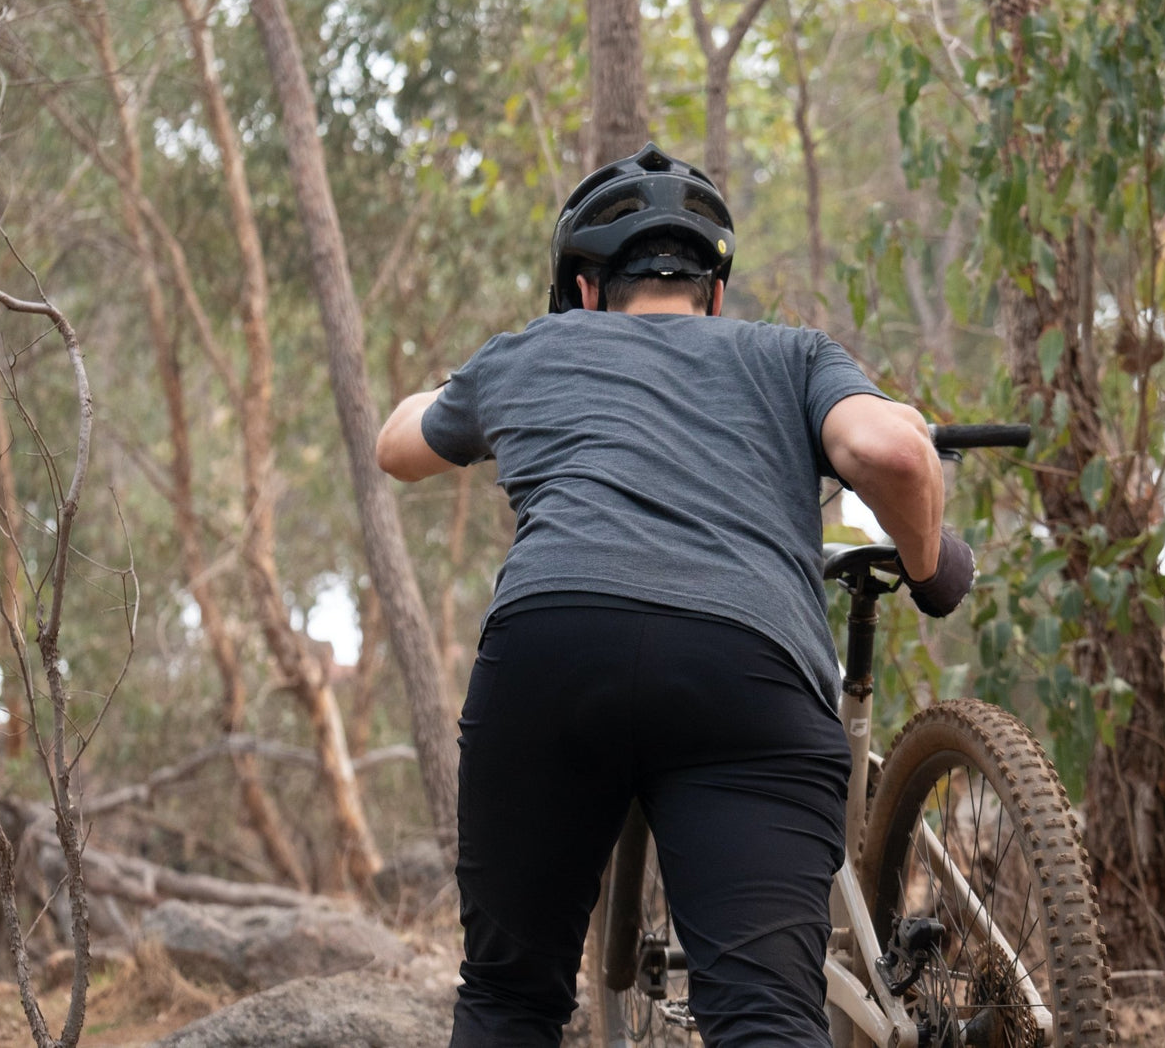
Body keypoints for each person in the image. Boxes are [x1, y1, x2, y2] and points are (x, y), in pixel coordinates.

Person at [376, 143, 974, 1048]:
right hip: (744, 668)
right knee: (765, 1020)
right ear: (715, 295)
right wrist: (928, 569)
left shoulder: (535, 349)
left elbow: (397, 446)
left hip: (553, 647)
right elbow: (892, 452)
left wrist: (477, 387)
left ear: (584, 292)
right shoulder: (790, 355)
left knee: (507, 999)